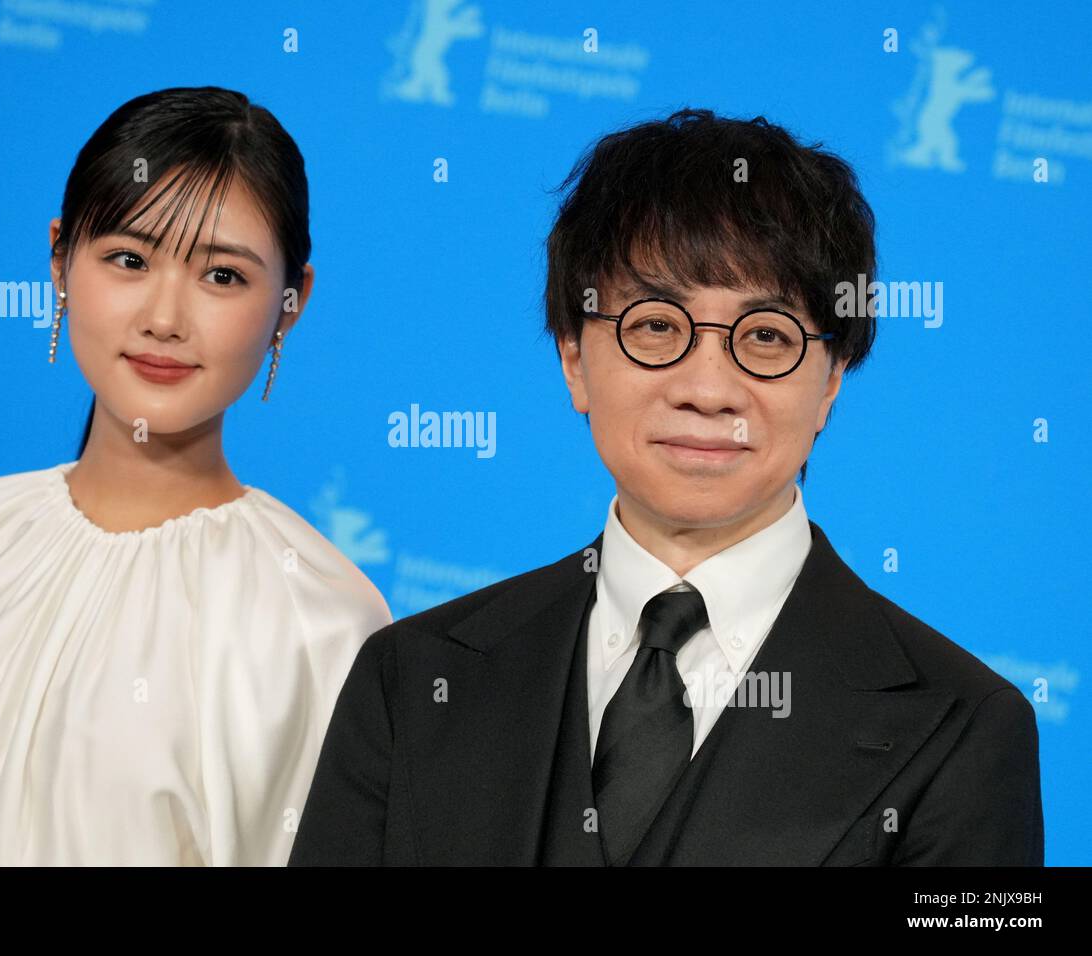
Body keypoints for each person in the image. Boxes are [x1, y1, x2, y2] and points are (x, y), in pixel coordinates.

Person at [288, 108, 1043, 866]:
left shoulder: (965, 728)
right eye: (655, 327)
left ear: (831, 381)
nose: (709, 390)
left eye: (767, 336)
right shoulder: (412, 677)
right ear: (574, 359)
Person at [0, 86, 391, 865]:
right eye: (129, 260)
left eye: (222, 277)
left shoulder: (328, 623)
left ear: (291, 302)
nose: (165, 318)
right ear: (59, 259)